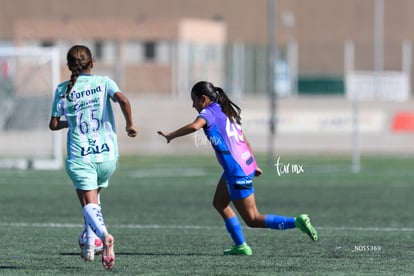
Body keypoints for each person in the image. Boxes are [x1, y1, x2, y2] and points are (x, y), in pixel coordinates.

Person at [157, 81, 318, 255]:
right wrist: (253, 164)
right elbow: (244, 141)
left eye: (194, 100)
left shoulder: (208, 112)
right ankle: (241, 245)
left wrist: (171, 135)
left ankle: (297, 221)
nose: (193, 105)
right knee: (219, 203)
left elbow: (195, 126)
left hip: (236, 172)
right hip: (242, 166)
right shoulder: (226, 111)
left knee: (253, 219)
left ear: (204, 99)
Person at [49, 45, 137, 269]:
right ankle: (89, 245)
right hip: (107, 156)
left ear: (69, 66)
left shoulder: (62, 89)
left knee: (88, 204)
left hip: (81, 156)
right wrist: (130, 125)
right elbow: (124, 101)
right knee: (94, 203)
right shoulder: (104, 82)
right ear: (92, 62)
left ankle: (104, 237)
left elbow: (53, 124)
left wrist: (72, 121)